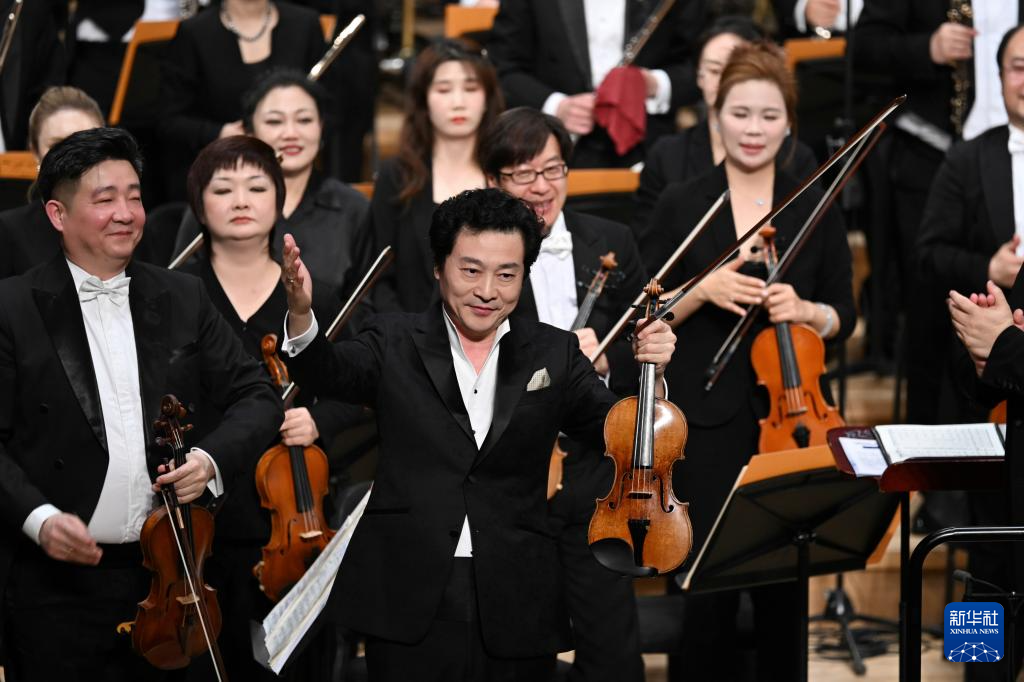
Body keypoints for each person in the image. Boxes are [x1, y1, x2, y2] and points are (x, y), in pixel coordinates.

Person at [278, 187, 678, 681]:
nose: (488, 290)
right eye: (471, 271)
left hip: (517, 591)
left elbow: (620, 435)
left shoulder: (553, 352)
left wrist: (653, 376)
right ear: (438, 267)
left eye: (507, 274)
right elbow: (327, 372)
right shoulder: (393, 339)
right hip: (408, 588)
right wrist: (301, 313)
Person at [0, 126, 282, 681]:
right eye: (105, 199)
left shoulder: (181, 295)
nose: (126, 213)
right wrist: (38, 518)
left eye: (134, 196)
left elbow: (257, 393)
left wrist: (210, 461)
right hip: (55, 589)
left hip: (172, 575)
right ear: (58, 214)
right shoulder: (11, 308)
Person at [640, 42, 855, 680]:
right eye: (739, 114)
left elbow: (845, 316)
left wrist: (808, 310)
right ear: (715, 115)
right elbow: (643, 317)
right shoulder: (684, 201)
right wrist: (702, 289)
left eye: (768, 115)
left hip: (792, 425)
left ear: (789, 123)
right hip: (703, 427)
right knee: (704, 602)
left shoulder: (813, 204)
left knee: (783, 600)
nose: (753, 129)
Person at [178, 135, 360, 681]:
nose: (240, 200)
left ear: (280, 201)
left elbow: (366, 389)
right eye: (223, 189)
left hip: (292, 521)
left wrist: (320, 419)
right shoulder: (173, 294)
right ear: (198, 205)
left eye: (256, 187)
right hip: (197, 520)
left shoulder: (311, 295)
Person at [480, 107, 647, 682]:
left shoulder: (613, 241)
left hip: (598, 472)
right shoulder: (476, 259)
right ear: (494, 181)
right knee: (519, 652)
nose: (541, 187)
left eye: (552, 170)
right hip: (515, 478)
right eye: (523, 174)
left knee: (613, 652)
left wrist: (612, 356)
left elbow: (643, 344)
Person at [171, 69, 373, 302]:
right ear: (249, 131)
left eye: (304, 120)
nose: (291, 133)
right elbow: (181, 293)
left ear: (321, 127)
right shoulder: (217, 201)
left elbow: (366, 306)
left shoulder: (353, 208)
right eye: (274, 121)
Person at [917, 25, 1024, 423]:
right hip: (984, 380)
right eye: (1019, 68)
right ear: (998, 77)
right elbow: (928, 257)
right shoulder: (966, 160)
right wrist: (988, 269)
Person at [631, 15, 818, 241]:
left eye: (735, 69)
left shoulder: (798, 158)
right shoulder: (666, 156)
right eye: (714, 70)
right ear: (699, 77)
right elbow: (648, 249)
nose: (724, 82)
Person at [371, 38, 504, 314]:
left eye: (471, 88)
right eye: (444, 89)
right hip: (409, 331)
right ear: (424, 99)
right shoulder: (396, 176)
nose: (458, 102)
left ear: (487, 98)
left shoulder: (506, 173)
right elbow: (378, 282)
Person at [487, 0, 704, 168]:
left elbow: (701, 67)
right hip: (552, 148)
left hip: (649, 146)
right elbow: (502, 67)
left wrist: (654, 84)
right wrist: (557, 107)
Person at [159, 0, 325, 199]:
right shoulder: (194, 32)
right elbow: (169, 120)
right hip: (220, 174)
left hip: (296, 177)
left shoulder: (305, 23)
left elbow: (329, 105)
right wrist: (220, 132)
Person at [0, 86, 105, 279]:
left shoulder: (129, 224)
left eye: (86, 142)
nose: (72, 156)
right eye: (57, 145)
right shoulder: (8, 232)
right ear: (35, 152)